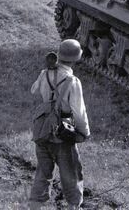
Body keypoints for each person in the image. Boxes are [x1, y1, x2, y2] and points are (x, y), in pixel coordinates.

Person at [29, 39, 90, 210]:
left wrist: (47, 73)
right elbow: (79, 112)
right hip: (62, 134)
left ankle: (34, 206)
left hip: (42, 130)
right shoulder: (72, 81)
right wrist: (84, 132)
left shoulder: (45, 73)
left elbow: (34, 90)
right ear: (75, 58)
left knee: (42, 172)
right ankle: (73, 206)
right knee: (71, 174)